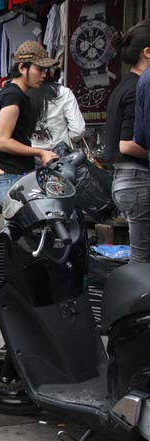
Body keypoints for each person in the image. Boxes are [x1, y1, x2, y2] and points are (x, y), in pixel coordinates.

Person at [0, 41, 59, 204]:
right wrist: (40, 152)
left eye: (45, 70)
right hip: (11, 178)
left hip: (17, 176)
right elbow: (1, 141)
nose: (44, 75)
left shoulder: (13, 94)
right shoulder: (13, 97)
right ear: (22, 68)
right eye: (39, 69)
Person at [107, 20, 150, 263]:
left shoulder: (126, 85)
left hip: (128, 181)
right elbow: (126, 143)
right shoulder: (136, 88)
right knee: (141, 261)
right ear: (147, 52)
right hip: (136, 180)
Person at [29, 67, 86, 151]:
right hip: (58, 155)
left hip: (28, 155)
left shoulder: (18, 93)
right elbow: (78, 130)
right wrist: (62, 140)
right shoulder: (64, 92)